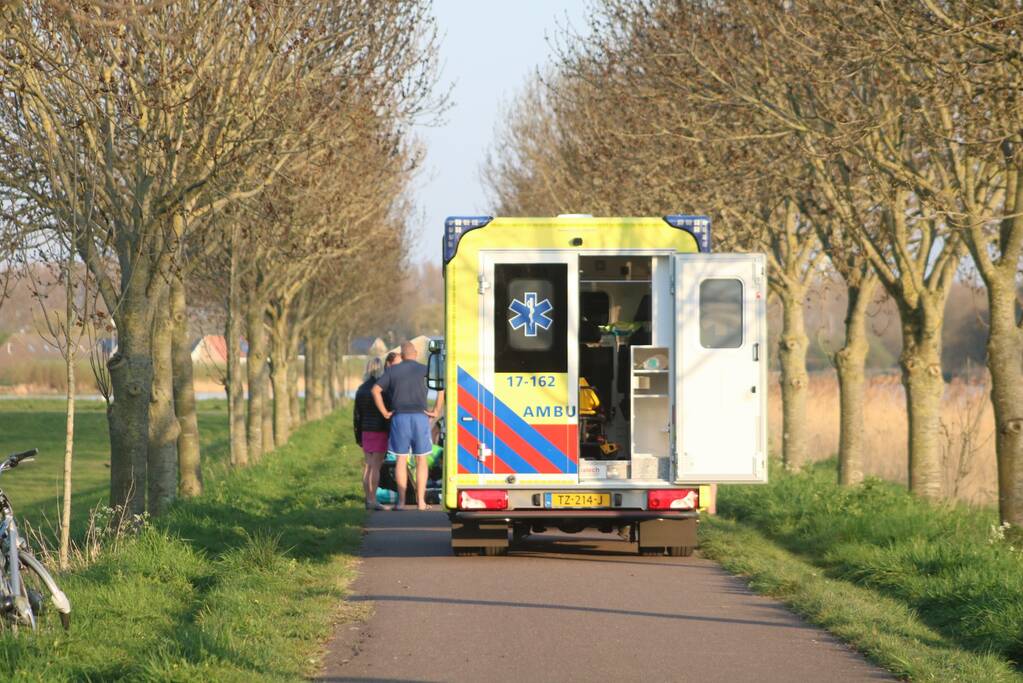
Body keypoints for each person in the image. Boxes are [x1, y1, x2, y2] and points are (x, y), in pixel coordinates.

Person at [373, 340, 444, 510]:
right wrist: (436, 410)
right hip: (420, 417)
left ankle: (402, 502)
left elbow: (375, 390)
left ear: (402, 356)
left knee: (401, 460)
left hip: (400, 418)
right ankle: (421, 502)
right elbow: (441, 388)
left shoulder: (394, 370)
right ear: (416, 354)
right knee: (421, 460)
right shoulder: (424, 369)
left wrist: (384, 412)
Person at [354, 357, 389, 511]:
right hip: (379, 430)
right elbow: (386, 412)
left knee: (368, 465)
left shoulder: (361, 389)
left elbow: (357, 415)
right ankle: (374, 499)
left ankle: (368, 498)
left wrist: (358, 436)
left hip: (365, 431)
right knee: (376, 467)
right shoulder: (382, 389)